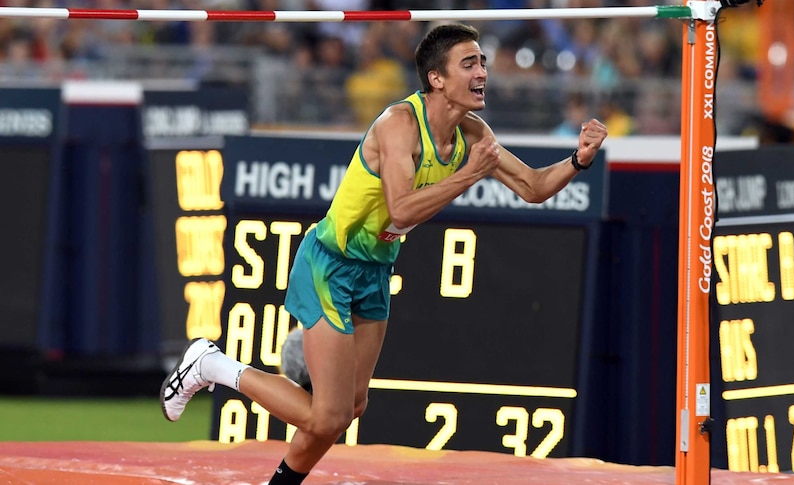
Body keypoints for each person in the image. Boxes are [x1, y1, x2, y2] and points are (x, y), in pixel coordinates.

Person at [160, 23, 607, 485]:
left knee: (350, 408)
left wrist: (578, 160)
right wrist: (469, 174)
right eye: (469, 63)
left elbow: (533, 188)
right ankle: (211, 364)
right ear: (436, 78)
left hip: (374, 270)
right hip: (329, 265)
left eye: (483, 63)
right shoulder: (399, 125)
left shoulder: (473, 132)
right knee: (327, 416)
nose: (483, 72)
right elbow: (403, 205)